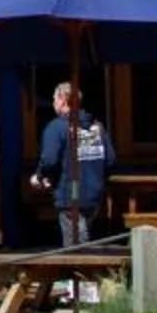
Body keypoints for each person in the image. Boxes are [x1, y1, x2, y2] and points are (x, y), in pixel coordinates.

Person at [31, 82, 111, 248]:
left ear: (62, 100)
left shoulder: (57, 127)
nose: (53, 103)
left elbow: (50, 160)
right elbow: (110, 160)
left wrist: (39, 177)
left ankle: (80, 273)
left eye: (54, 99)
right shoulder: (97, 127)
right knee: (85, 240)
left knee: (77, 250)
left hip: (71, 195)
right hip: (94, 196)